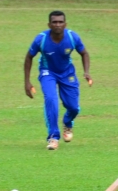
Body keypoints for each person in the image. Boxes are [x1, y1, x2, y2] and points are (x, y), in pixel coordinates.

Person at [24, 11, 92, 150]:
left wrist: (86, 72)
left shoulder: (72, 37)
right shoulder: (41, 39)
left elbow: (84, 53)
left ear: (65, 24)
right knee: (51, 99)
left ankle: (67, 122)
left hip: (67, 73)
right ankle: (53, 137)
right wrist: (27, 82)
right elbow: (29, 57)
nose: (57, 24)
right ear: (49, 24)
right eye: (54, 22)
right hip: (48, 72)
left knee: (73, 107)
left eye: (60, 22)